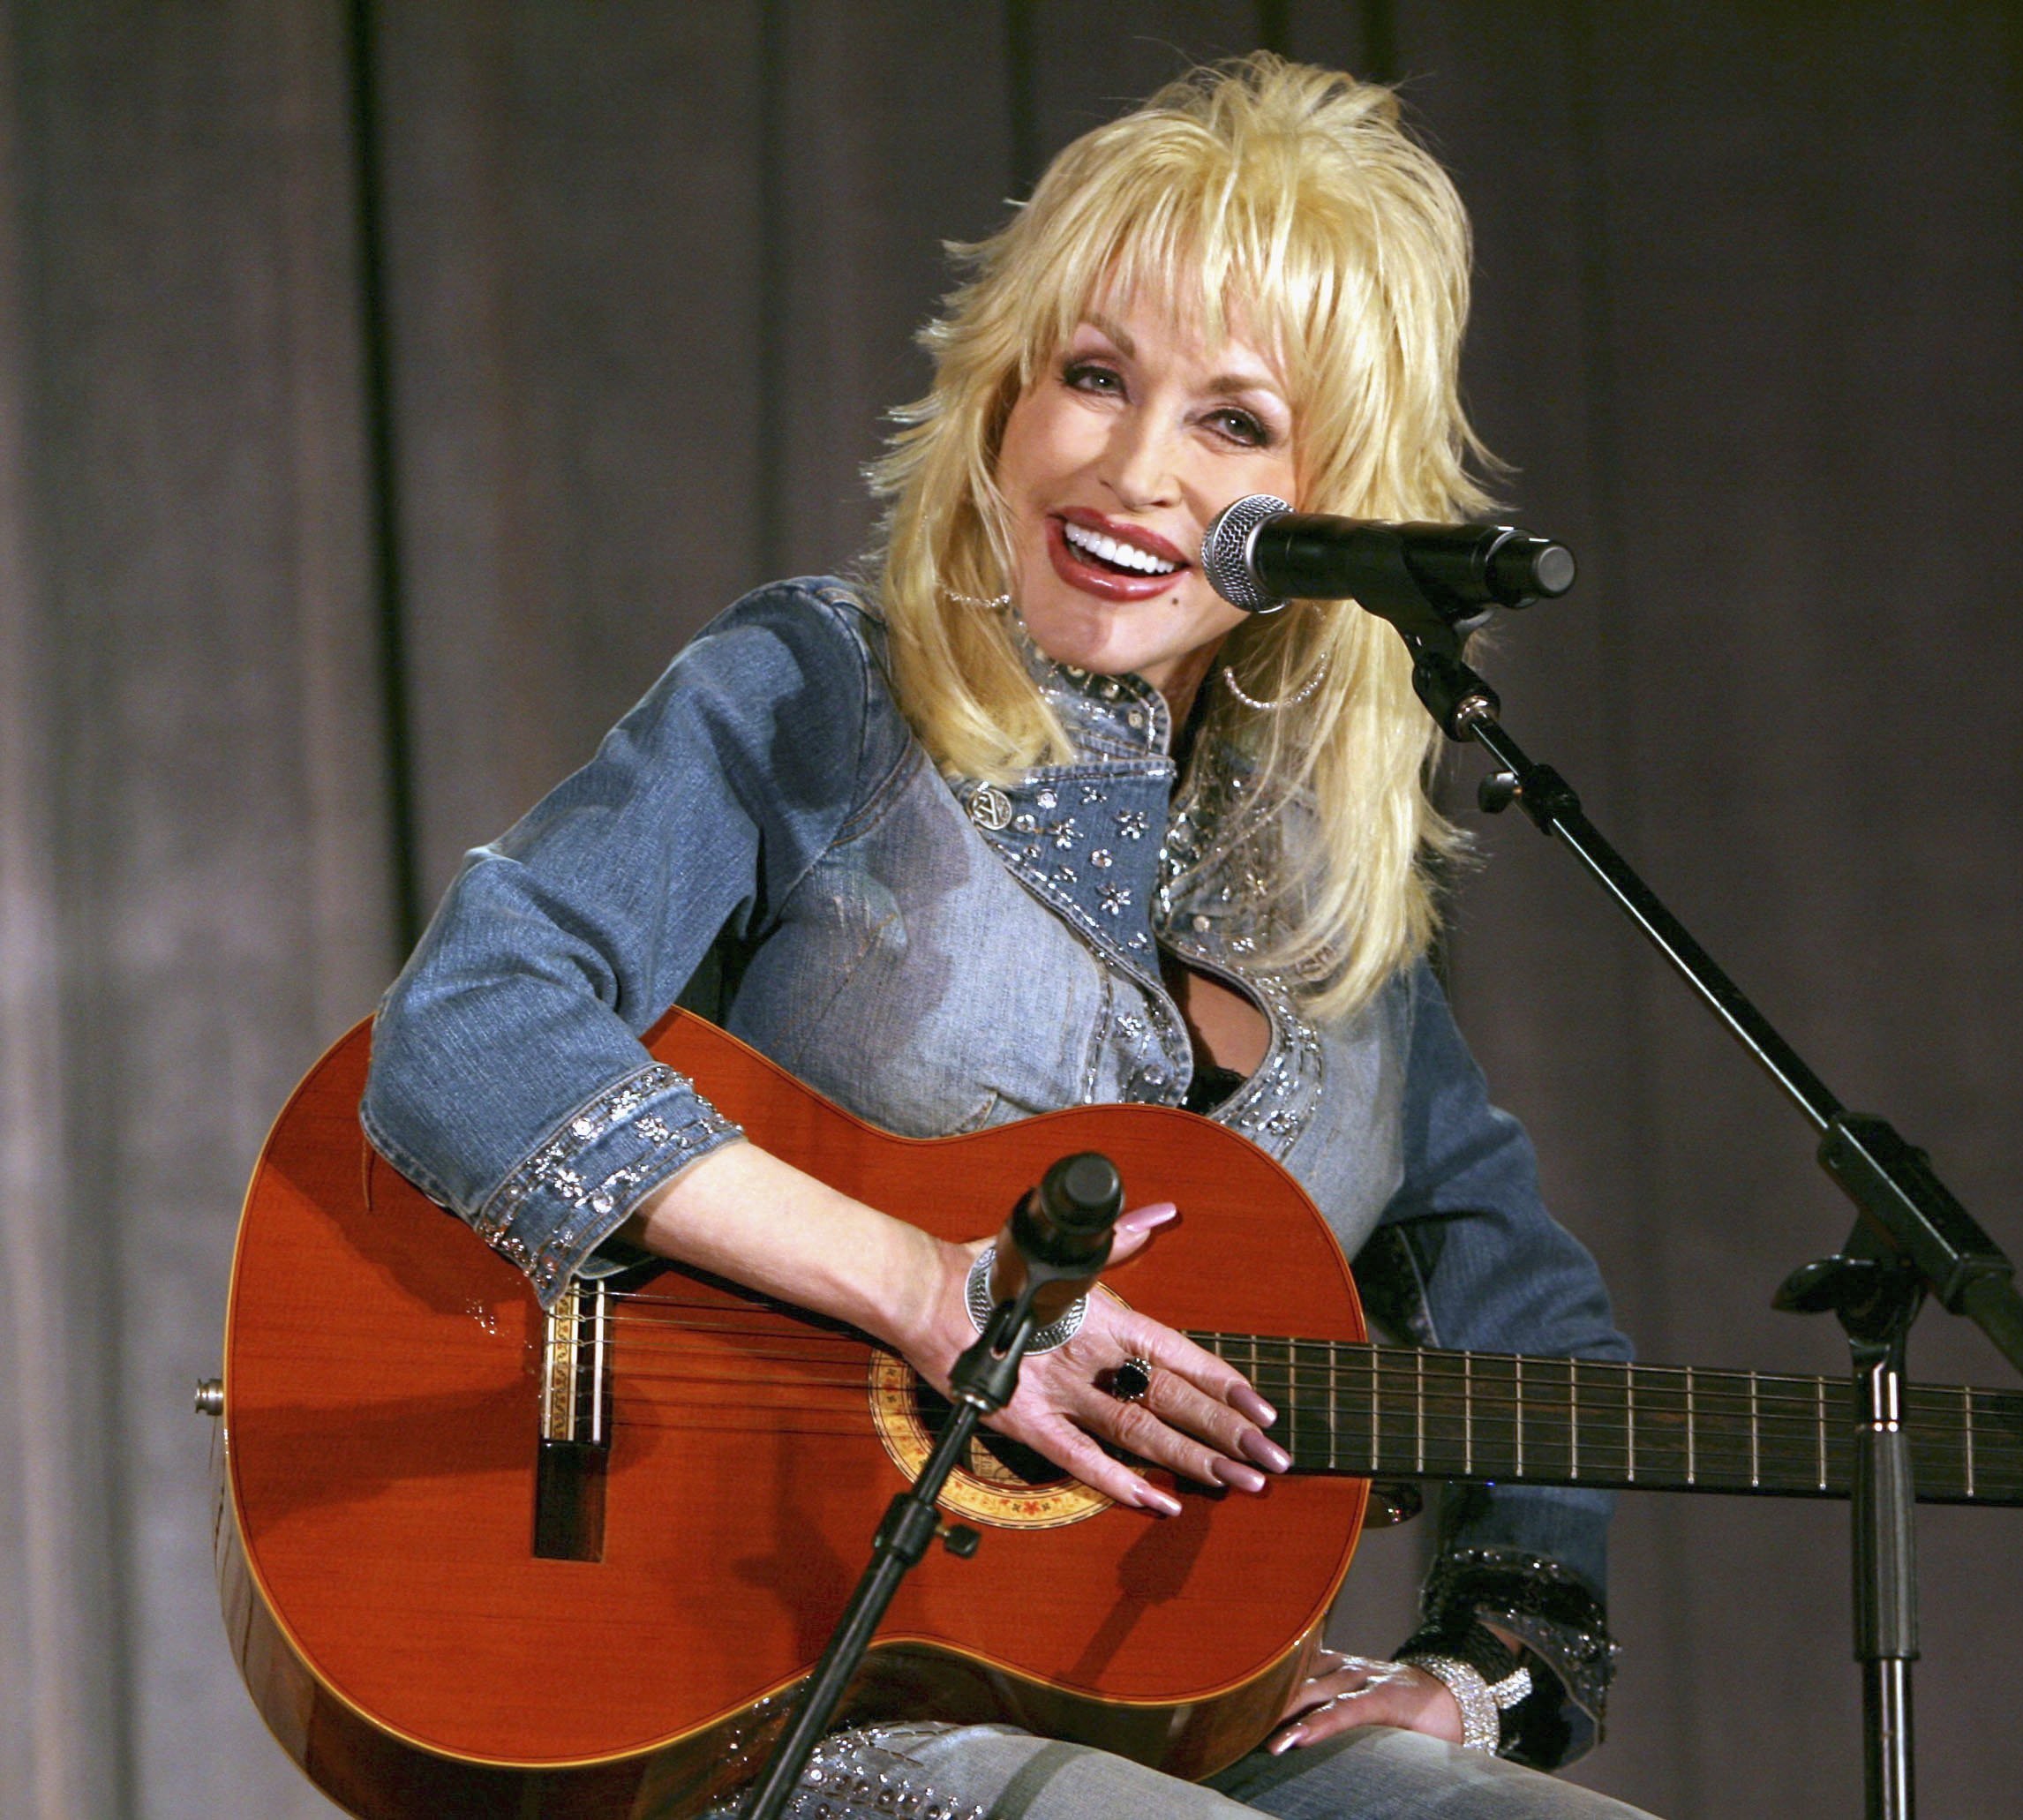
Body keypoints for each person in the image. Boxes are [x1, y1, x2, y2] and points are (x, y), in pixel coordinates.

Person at [363, 54, 1653, 1820]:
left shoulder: (1328, 903)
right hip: (781, 1675)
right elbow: (470, 1022)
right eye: (1093, 376)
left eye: (1234, 424)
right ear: (1002, 395)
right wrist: (924, 1285)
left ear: (1335, 504)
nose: (1132, 469)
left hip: (1172, 1713)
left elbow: (1533, 1326)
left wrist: (1478, 1671)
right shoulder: (822, 692)